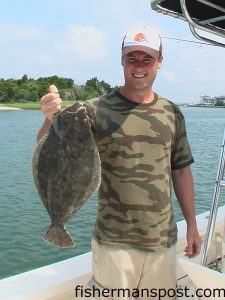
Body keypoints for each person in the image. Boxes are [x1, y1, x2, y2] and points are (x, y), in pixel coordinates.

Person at [37, 24, 201, 299]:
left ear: (159, 61)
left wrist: (192, 226)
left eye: (146, 58)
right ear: (121, 60)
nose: (139, 66)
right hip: (113, 243)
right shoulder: (93, 109)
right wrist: (50, 117)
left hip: (163, 242)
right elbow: (50, 146)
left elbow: (181, 170)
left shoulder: (172, 113)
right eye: (131, 58)